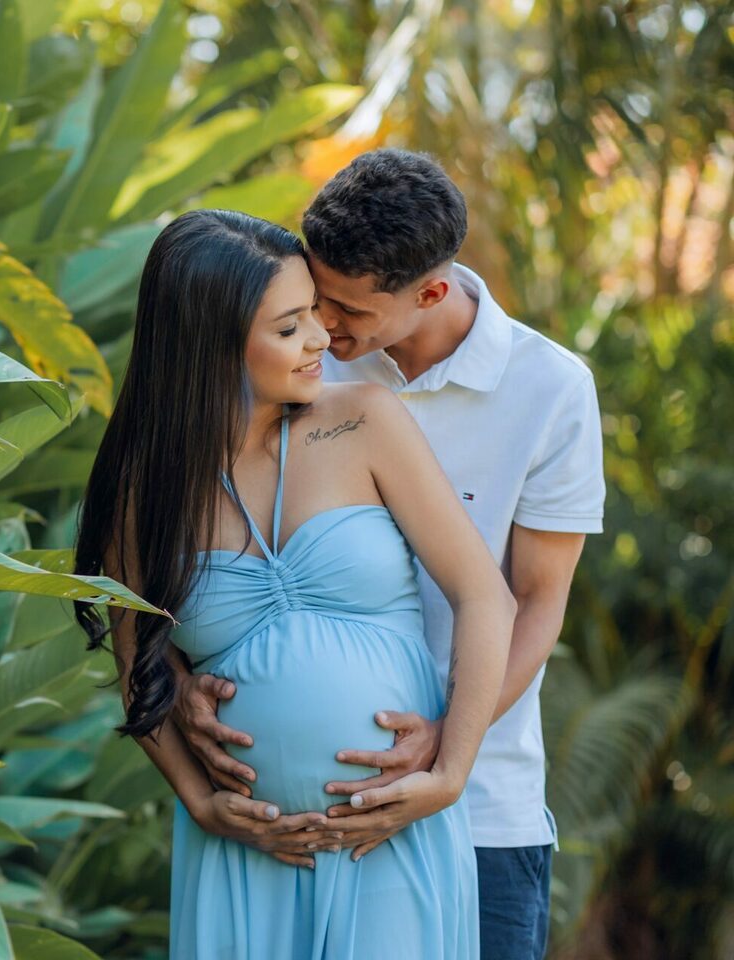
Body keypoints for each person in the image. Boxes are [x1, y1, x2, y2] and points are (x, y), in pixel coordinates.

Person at [169, 150, 606, 960]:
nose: (325, 329)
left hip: (481, 805)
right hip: (281, 835)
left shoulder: (550, 389)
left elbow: (537, 599)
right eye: (312, 299)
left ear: (431, 293)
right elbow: (196, 528)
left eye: (347, 311)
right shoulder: (293, 357)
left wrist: (446, 741)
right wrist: (178, 682)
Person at [73, 208, 515, 958]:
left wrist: (448, 772)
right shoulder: (144, 487)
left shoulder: (364, 421)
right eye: (290, 326)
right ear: (209, 345)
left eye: (314, 312)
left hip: (388, 835)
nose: (321, 340)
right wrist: (200, 801)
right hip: (248, 855)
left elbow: (485, 597)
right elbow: (138, 666)